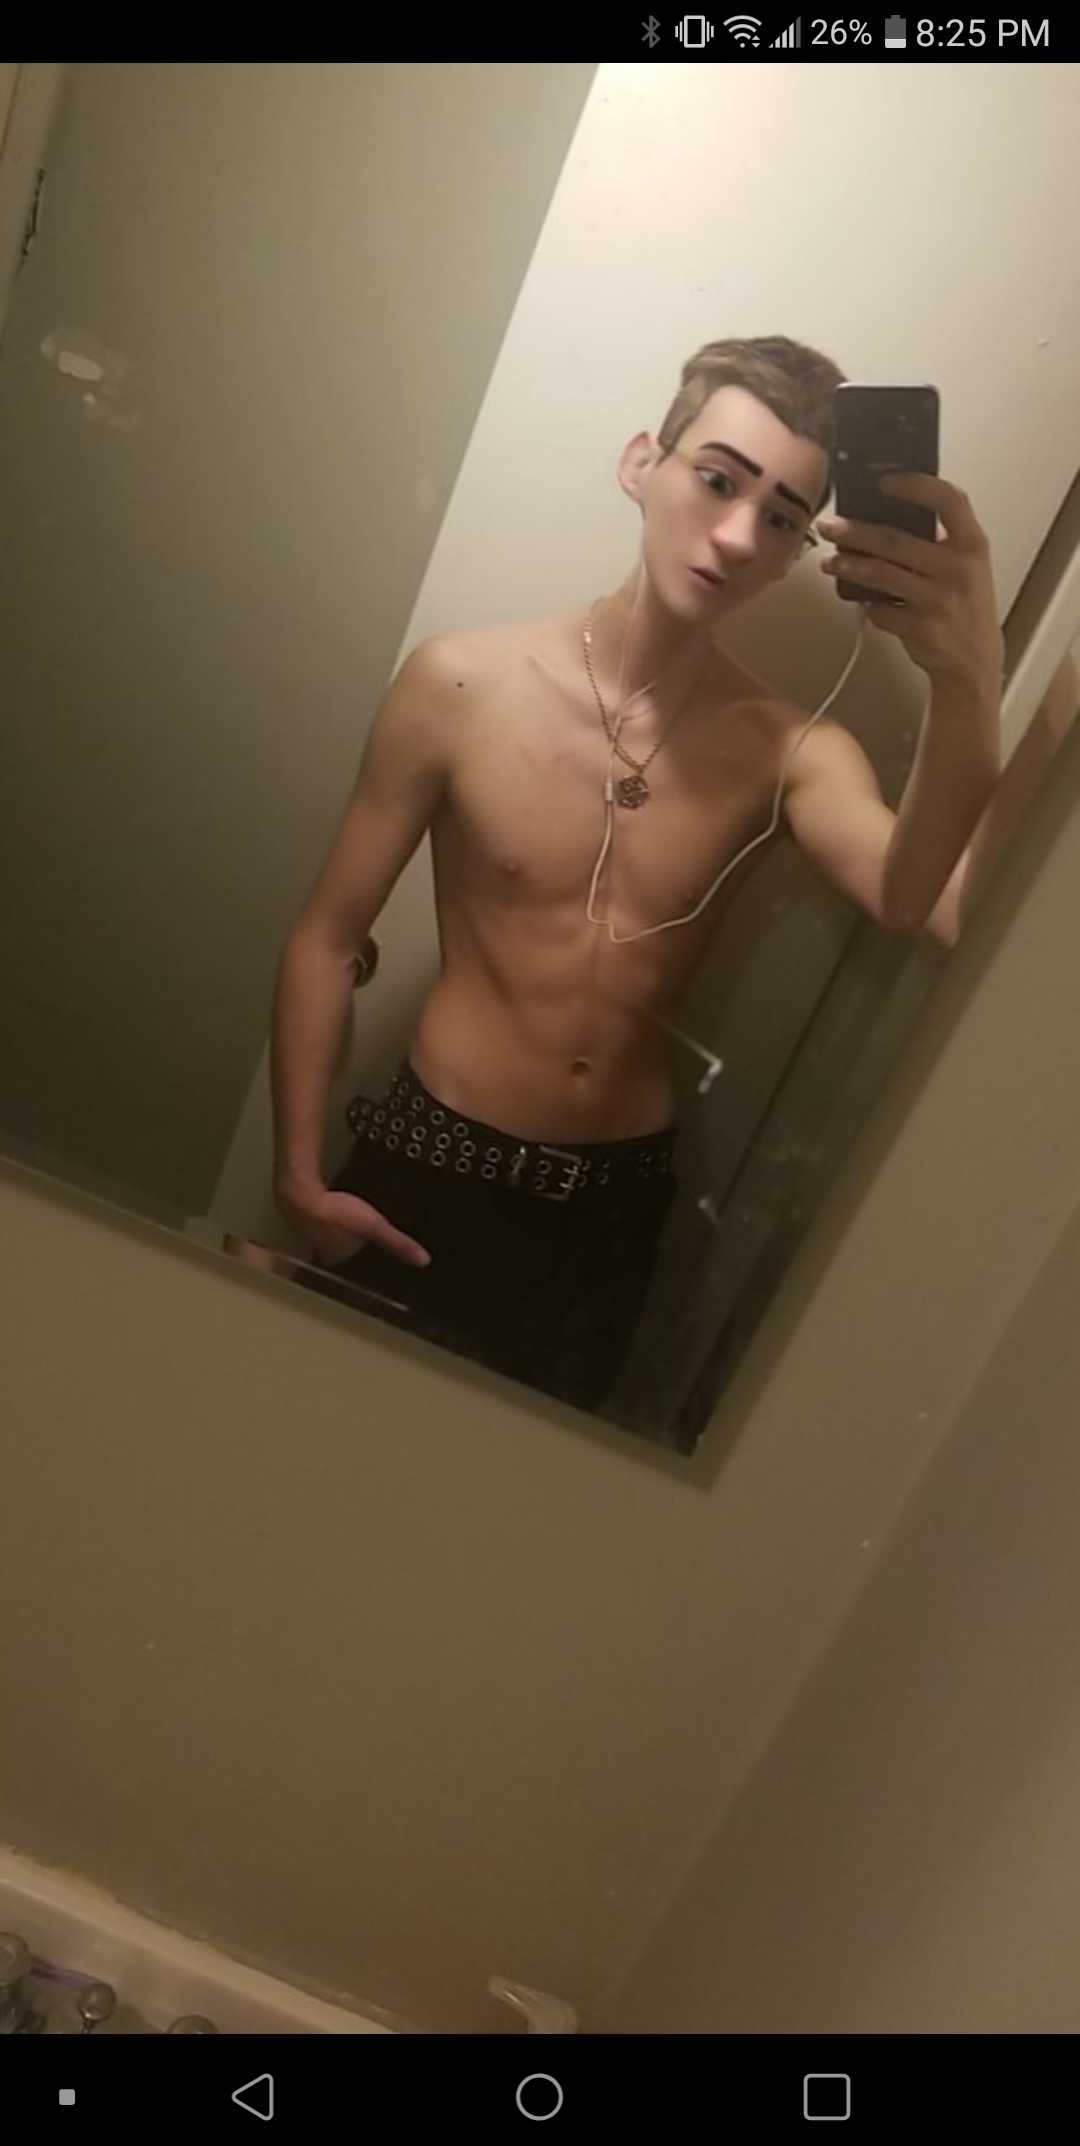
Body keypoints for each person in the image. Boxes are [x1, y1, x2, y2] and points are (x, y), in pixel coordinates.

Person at [269, 333, 1017, 1413]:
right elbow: (327, 937)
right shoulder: (460, 686)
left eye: (781, 519)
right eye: (717, 479)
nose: (737, 535)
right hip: (428, 1166)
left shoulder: (788, 749)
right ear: (640, 465)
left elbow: (928, 906)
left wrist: (970, 680)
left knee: (513, 1507)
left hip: (613, 1209)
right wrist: (299, 1175)